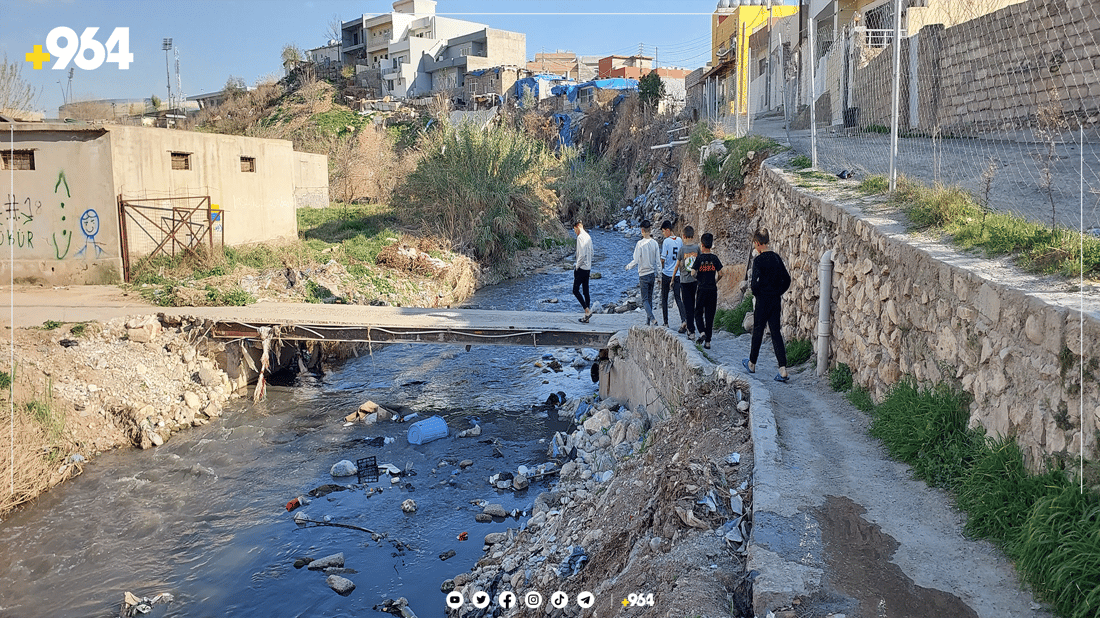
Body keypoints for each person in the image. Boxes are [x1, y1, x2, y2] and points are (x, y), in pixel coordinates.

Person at [743, 228, 792, 382]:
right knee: (776, 332)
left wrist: (759, 294)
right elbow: (787, 280)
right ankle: (783, 369)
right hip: (775, 300)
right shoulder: (776, 258)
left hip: (763, 300)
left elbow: (754, 284)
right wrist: (778, 292)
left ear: (757, 243)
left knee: (758, 330)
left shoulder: (758, 260)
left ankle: (752, 363)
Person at [624, 219, 661, 326]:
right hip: (652, 274)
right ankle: (648, 321)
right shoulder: (654, 243)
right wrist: (659, 275)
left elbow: (635, 261)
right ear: (650, 230)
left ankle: (653, 319)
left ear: (642, 230)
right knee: (650, 299)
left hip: (643, 275)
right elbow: (658, 261)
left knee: (644, 300)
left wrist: (628, 267)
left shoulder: (639, 244)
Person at [691, 232, 723, 349]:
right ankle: (708, 342)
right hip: (712, 289)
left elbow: (693, 272)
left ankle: (702, 332)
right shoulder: (714, 258)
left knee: (698, 312)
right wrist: (716, 280)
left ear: (702, 245)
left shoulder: (699, 258)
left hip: (702, 289)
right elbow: (721, 273)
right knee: (710, 315)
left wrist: (698, 278)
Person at [658, 220, 686, 331]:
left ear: (668, 230)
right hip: (677, 273)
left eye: (664, 231)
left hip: (667, 274)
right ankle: (683, 320)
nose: (663, 234)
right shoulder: (679, 240)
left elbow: (663, 259)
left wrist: (661, 267)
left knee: (664, 298)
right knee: (678, 298)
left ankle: (666, 322)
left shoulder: (666, 242)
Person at [677, 226, 700, 339]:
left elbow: (678, 265)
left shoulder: (682, 250)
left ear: (683, 237)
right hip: (695, 280)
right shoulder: (697, 248)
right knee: (693, 305)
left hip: (684, 281)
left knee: (688, 306)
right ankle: (690, 326)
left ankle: (691, 331)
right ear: (693, 236)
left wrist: (672, 279)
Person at [572, 220, 594, 323]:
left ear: (577, 227)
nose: (574, 232)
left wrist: (577, 266)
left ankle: (586, 310)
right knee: (586, 291)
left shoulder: (580, 237)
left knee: (575, 290)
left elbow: (582, 255)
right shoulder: (588, 236)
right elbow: (592, 252)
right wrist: (589, 263)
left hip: (581, 268)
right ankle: (586, 316)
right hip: (588, 268)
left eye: (574, 230)